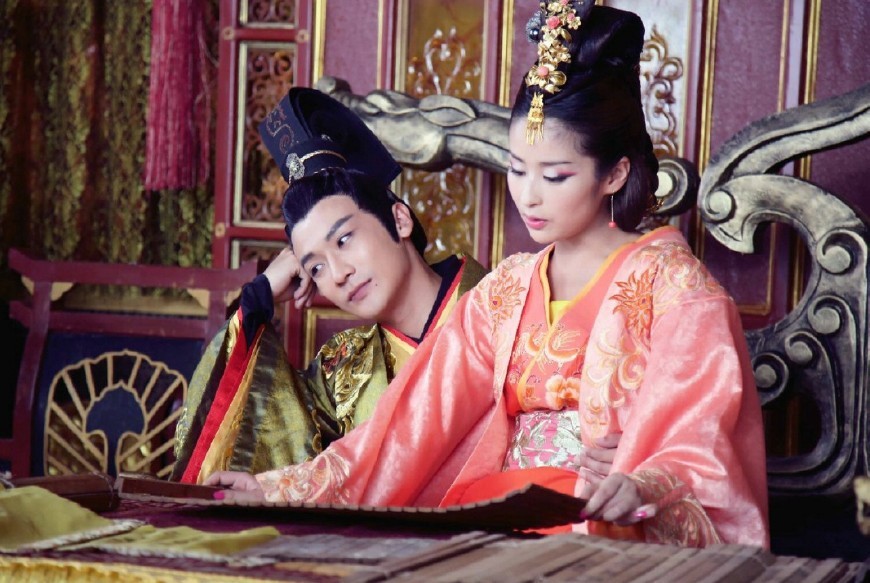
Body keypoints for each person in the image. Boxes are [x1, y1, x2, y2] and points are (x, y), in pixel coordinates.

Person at [205, 3, 769, 548]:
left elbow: (701, 441)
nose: (528, 195)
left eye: (554, 175)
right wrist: (280, 489)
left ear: (615, 173)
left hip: (604, 524)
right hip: (506, 513)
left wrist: (642, 477)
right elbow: (412, 424)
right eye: (517, 170)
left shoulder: (677, 290)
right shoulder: (507, 289)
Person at [171, 88, 490, 483]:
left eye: (343, 239)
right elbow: (267, 454)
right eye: (316, 267)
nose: (337, 274)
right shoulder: (342, 371)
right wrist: (259, 298)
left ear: (400, 220)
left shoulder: (502, 308)